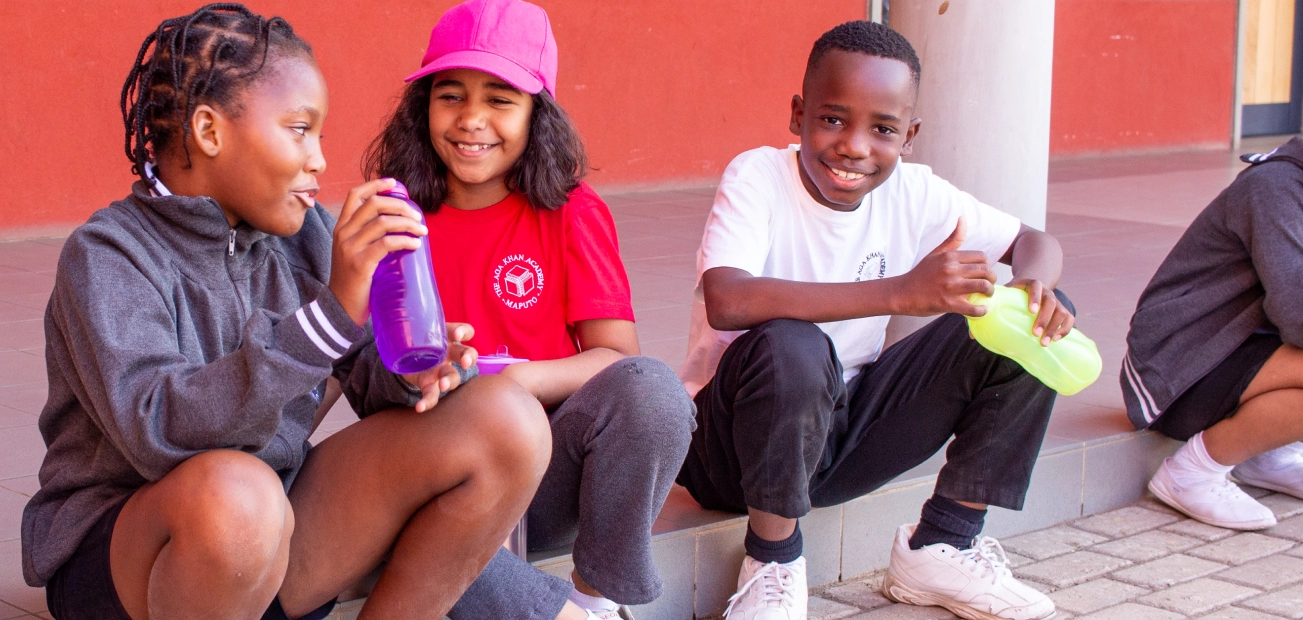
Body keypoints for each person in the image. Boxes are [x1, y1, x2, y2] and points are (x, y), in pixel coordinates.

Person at [20, 5, 554, 619]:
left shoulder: (304, 236)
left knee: (505, 419)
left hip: (271, 530)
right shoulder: (110, 254)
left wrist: (413, 376)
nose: (320, 159)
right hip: (131, 555)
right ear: (209, 131)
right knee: (237, 496)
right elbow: (157, 432)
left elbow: (360, 374)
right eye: (300, 129)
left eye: (320, 136)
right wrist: (330, 316)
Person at [678, 21, 1071, 620]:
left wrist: (1033, 286)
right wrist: (900, 293)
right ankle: (774, 560)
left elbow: (1034, 240)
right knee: (792, 344)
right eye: (833, 119)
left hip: (838, 436)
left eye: (882, 129)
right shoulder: (758, 175)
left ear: (908, 136)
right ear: (797, 115)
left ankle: (942, 543)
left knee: (1033, 324)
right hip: (729, 451)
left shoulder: (916, 192)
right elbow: (728, 300)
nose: (855, 146)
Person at [361, 1, 695, 617]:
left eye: (501, 99)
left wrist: (515, 381)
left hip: (546, 470)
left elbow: (617, 357)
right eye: (450, 95)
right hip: (441, 476)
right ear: (422, 108)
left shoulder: (571, 210)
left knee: (653, 392)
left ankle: (595, 599)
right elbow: (365, 376)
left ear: (538, 114)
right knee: (406, 525)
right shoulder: (396, 218)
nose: (472, 120)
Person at [1125, 138, 1303, 530]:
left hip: (1242, 347)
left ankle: (1266, 457)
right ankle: (1192, 473)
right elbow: (1295, 313)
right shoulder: (1275, 187)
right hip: (1180, 366)